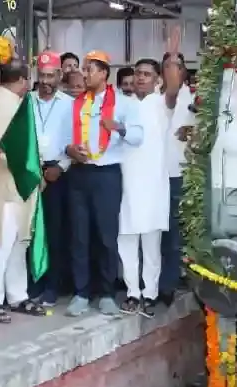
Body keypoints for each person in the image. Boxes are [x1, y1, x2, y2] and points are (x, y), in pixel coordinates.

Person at [64, 51, 144, 318]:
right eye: (84, 70)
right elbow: (65, 138)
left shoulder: (123, 103)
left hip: (107, 174)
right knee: (79, 235)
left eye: (89, 70)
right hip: (79, 173)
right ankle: (81, 293)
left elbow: (137, 136)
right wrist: (69, 150)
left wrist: (119, 127)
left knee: (106, 236)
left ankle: (107, 293)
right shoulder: (75, 104)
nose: (84, 74)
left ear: (103, 74)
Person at [117, 32, 184, 318]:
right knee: (127, 240)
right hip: (125, 184)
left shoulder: (161, 103)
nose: (141, 78)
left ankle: (151, 293)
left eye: (147, 74)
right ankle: (132, 293)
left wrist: (170, 58)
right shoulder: (123, 102)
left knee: (152, 245)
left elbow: (173, 89)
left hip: (154, 185)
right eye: (138, 73)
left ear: (156, 79)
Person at [0, 64, 46, 322]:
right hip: (7, 183)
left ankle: (17, 295)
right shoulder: (0, 104)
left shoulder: (17, 102)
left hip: (22, 183)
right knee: (1, 242)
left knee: (20, 242)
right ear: (22, 80)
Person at [29, 51, 73, 307]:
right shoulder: (27, 101)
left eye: (50, 76)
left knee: (55, 232)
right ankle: (32, 282)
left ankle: (52, 286)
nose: (45, 81)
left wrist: (61, 167)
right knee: (31, 230)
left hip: (58, 172)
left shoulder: (69, 104)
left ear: (59, 75)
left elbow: (75, 141)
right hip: (31, 172)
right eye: (41, 75)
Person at [161, 50, 194, 305]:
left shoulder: (195, 99)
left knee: (173, 236)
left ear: (183, 71)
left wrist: (193, 131)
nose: (173, 71)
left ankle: (168, 285)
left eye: (177, 67)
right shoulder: (154, 98)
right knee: (153, 234)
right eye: (168, 67)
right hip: (152, 176)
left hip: (179, 174)